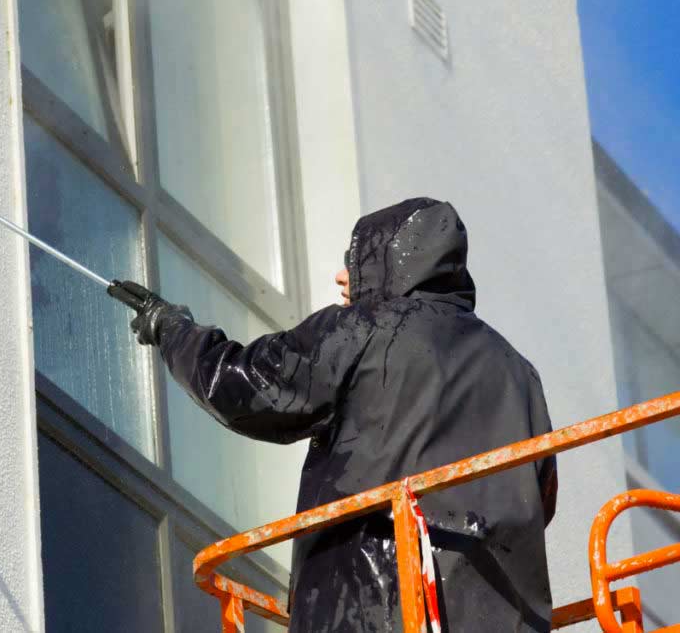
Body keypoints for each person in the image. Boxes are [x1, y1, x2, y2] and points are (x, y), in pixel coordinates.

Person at [108, 197, 559, 633]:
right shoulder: (520, 374)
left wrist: (172, 330)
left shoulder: (367, 327)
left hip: (371, 606)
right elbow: (540, 500)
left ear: (391, 264)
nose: (343, 276)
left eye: (358, 260)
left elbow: (246, 387)